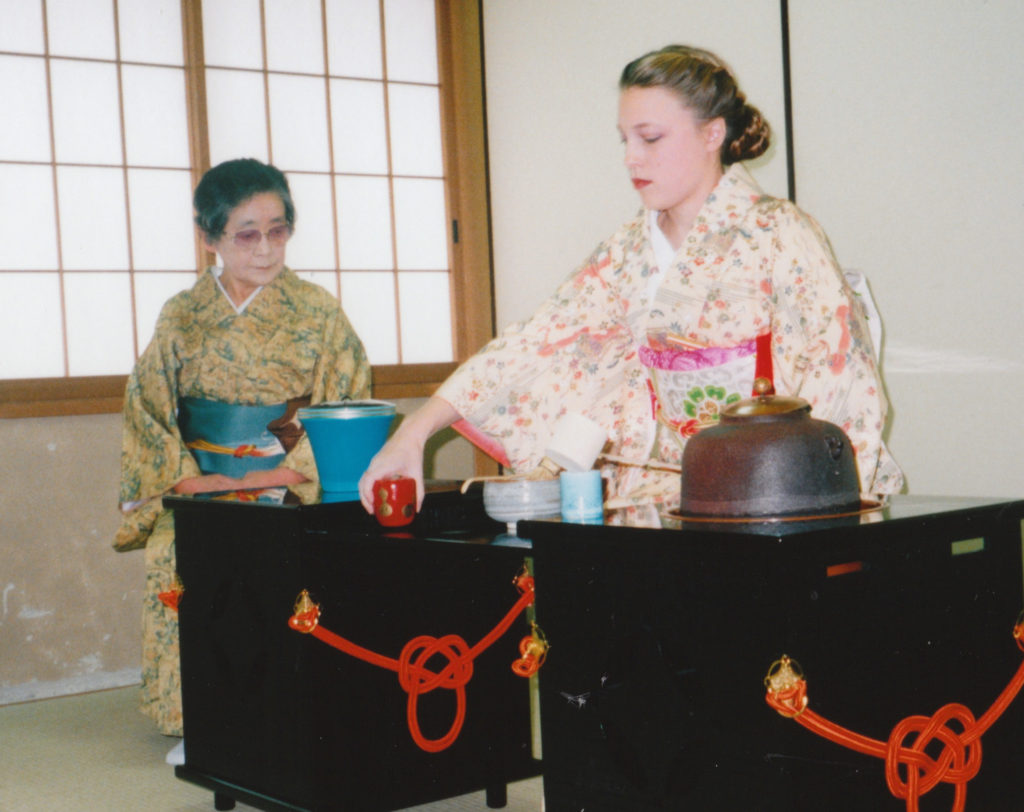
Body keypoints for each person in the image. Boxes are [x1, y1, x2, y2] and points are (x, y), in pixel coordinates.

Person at [358, 44, 902, 514]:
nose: (630, 158)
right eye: (624, 140)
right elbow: (533, 341)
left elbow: (842, 378)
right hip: (647, 501)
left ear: (713, 133)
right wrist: (415, 431)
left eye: (650, 138)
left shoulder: (780, 232)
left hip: (766, 501)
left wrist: (821, 512)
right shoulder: (625, 252)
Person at [113, 158, 371, 740]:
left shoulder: (318, 311)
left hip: (291, 482)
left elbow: (346, 399)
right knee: (178, 555)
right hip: (199, 486)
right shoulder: (182, 315)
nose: (265, 249)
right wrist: (189, 480)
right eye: (246, 234)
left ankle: (293, 716)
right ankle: (202, 726)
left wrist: (282, 473)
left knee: (301, 567)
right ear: (210, 238)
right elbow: (148, 407)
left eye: (278, 230)